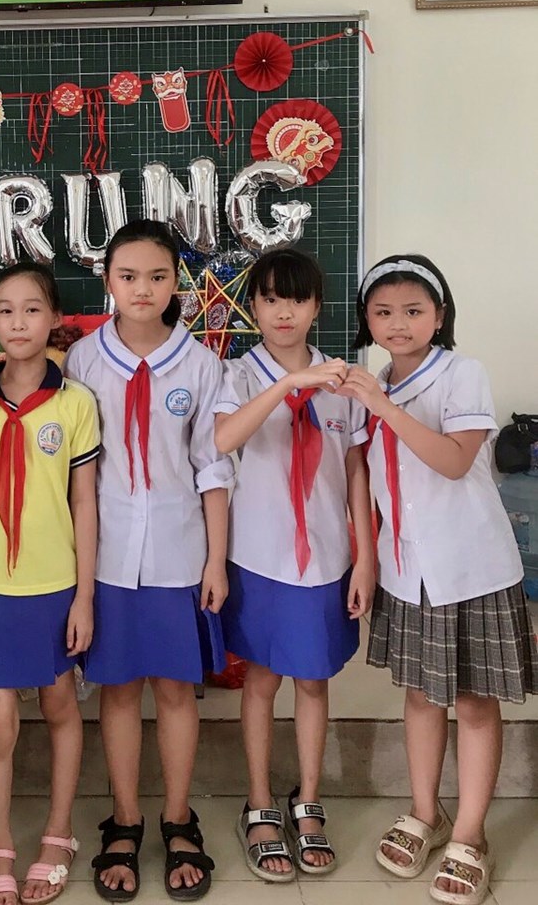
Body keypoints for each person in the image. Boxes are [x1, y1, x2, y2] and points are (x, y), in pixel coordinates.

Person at [340, 254, 537, 905]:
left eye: (413, 311)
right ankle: (427, 813)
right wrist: (366, 558)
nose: (397, 324)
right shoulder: (369, 383)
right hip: (407, 569)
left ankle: (471, 835)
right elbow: (362, 474)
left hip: (471, 567)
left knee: (474, 702)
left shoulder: (461, 373)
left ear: (439, 316)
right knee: (423, 696)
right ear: (367, 320)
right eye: (383, 312)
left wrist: (382, 406)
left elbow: (453, 461)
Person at [64, 220, 233, 903]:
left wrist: (216, 560)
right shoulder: (81, 361)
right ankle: (126, 819)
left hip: (178, 553)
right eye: (128, 276)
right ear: (108, 280)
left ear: (176, 284)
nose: (143, 289)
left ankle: (178, 817)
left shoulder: (201, 365)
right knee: (118, 690)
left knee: (174, 690)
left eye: (158, 276)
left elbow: (212, 467)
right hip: (105, 557)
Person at [0, 261, 99, 905]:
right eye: (5, 310)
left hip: (54, 584)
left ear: (54, 317)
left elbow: (84, 502)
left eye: (33, 309)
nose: (19, 322)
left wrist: (84, 595)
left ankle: (58, 833)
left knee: (60, 707)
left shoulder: (76, 401)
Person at [212, 249, 374, 883]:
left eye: (298, 299)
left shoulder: (344, 382)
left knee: (313, 681)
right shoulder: (235, 374)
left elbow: (356, 472)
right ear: (253, 305)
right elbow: (224, 440)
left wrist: (365, 557)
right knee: (261, 680)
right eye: (271, 298)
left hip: (327, 558)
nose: (284, 312)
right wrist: (288, 385)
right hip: (258, 556)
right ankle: (258, 804)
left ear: (317, 307)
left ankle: (307, 801)